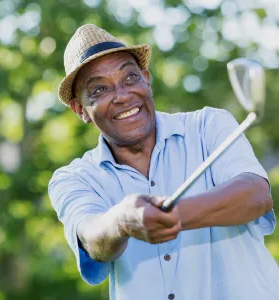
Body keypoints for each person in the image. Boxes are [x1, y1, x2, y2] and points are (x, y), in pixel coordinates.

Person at [48, 24, 279, 300]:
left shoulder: (208, 125)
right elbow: (90, 235)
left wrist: (174, 215)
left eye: (130, 77)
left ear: (146, 78)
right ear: (80, 110)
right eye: (99, 90)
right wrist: (123, 221)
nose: (122, 95)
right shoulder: (74, 178)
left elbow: (255, 195)